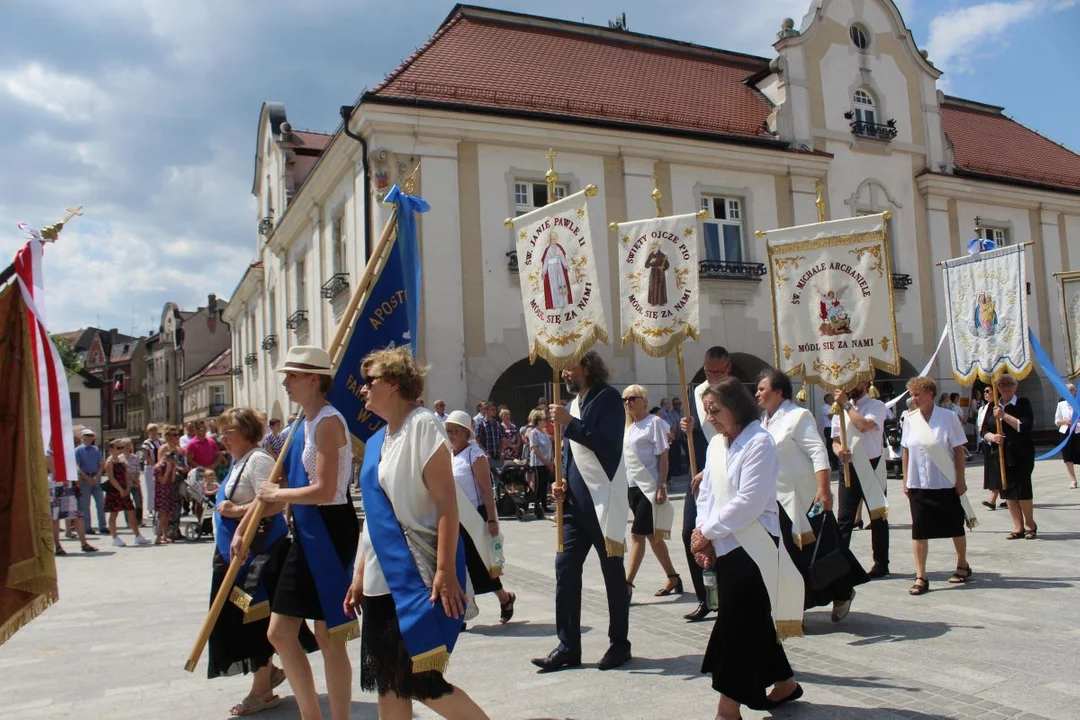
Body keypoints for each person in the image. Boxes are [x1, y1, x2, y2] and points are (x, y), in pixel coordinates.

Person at [343, 348, 489, 719]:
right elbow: (372, 518)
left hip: (416, 577)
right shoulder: (378, 440)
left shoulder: (422, 425)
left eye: (370, 380)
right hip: (380, 578)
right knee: (389, 682)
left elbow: (446, 504)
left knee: (423, 682)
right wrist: (359, 574)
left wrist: (445, 571)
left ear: (394, 383)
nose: (363, 389)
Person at [252, 346, 360, 720]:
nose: (285, 383)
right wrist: (258, 511)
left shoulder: (329, 422)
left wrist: (276, 494)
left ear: (314, 379)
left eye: (292, 376)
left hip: (329, 529)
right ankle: (312, 715)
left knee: (328, 635)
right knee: (280, 632)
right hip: (307, 528)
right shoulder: (301, 423)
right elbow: (286, 485)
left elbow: (327, 489)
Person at [691, 378, 802, 718]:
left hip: (754, 548)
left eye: (716, 410)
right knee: (751, 621)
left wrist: (708, 531)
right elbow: (707, 493)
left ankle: (728, 708)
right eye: (707, 411)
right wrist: (703, 533)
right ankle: (784, 683)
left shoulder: (759, 442)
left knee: (736, 627)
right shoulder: (716, 446)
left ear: (736, 407)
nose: (710, 417)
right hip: (724, 545)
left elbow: (749, 501)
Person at [209, 407, 316, 717]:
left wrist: (236, 512)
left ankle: (262, 691)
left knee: (254, 624)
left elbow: (275, 501)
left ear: (244, 433)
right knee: (237, 623)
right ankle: (267, 675)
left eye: (227, 432)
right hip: (238, 556)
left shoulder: (259, 460)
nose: (222, 438)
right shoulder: (239, 461)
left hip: (258, 558)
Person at [533, 350, 631, 672]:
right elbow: (569, 454)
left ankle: (620, 644)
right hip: (574, 507)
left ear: (587, 367)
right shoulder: (572, 405)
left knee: (612, 577)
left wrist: (569, 424)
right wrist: (560, 482)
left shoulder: (609, 398)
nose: (564, 375)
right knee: (565, 570)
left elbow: (607, 445)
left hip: (602, 503)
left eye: (568, 368)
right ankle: (568, 646)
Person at [757, 370, 866, 622]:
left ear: (779, 392)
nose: (757, 394)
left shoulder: (798, 416)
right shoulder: (763, 422)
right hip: (775, 500)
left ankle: (842, 592)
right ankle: (795, 607)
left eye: (762, 389)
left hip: (806, 500)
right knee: (788, 555)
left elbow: (818, 452)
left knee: (822, 551)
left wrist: (824, 489)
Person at [443, 411, 518, 624]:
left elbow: (487, 490)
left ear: (466, 432)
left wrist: (492, 520)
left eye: (455, 431)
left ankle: (504, 598)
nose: (451, 435)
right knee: (458, 565)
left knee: (480, 564)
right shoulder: (449, 454)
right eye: (448, 431)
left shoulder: (475, 455)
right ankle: (461, 613)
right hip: (454, 518)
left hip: (475, 517)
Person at [901, 377, 973, 595]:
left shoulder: (948, 417)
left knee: (954, 526)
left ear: (930, 394)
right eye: (912, 395)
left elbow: (959, 450)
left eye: (917, 394)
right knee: (919, 530)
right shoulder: (909, 419)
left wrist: (960, 479)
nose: (914, 399)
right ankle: (921, 576)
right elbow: (906, 449)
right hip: (919, 484)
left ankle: (962, 564)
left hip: (945, 483)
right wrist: (905, 479)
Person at [679, 346, 731, 622]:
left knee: (722, 535)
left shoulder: (736, 395)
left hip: (725, 472)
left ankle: (728, 594)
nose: (710, 376)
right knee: (691, 531)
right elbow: (696, 432)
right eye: (707, 371)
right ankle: (705, 597)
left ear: (728, 369)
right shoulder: (696, 392)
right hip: (699, 473)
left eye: (716, 372)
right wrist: (686, 426)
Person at [621, 384, 682, 598]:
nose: (628, 402)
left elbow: (663, 456)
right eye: (625, 399)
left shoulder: (654, 423)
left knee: (637, 534)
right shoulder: (628, 427)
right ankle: (673, 577)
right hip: (632, 487)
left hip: (650, 487)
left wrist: (661, 486)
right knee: (654, 537)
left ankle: (626, 584)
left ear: (644, 400)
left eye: (632, 398)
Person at [832, 381, 890, 578]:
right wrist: (840, 452)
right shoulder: (839, 407)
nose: (850, 386)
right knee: (844, 519)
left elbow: (863, 425)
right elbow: (836, 440)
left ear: (865, 382)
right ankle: (840, 564)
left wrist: (847, 405)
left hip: (871, 465)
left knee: (878, 516)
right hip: (849, 467)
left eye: (854, 380)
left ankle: (881, 562)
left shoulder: (876, 406)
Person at [980, 375, 1037, 540]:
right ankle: (1018, 526)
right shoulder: (993, 405)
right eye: (1001, 384)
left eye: (1008, 384)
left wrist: (1004, 415)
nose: (1005, 387)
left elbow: (1025, 426)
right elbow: (983, 430)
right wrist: (993, 437)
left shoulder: (1022, 403)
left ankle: (1030, 525)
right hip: (1001, 455)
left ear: (1015, 386)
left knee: (1023, 487)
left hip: (1021, 453)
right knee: (1008, 490)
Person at [48, 449, 96, 555]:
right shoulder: (49, 452)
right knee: (55, 518)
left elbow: (73, 467)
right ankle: (57, 545)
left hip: (67, 486)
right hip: (55, 487)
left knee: (76, 515)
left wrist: (75, 480)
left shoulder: (66, 451)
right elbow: (52, 468)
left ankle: (84, 544)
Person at [103, 439, 150, 547]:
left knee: (131, 511)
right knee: (114, 514)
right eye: (118, 448)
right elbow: (111, 478)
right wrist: (120, 489)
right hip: (115, 490)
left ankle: (137, 536)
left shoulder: (121, 460)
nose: (120, 450)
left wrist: (128, 486)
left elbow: (126, 474)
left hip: (124, 489)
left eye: (121, 447)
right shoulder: (109, 462)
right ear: (111, 449)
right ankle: (114, 537)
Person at [154, 427, 184, 544]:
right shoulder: (163, 449)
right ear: (167, 436)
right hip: (163, 487)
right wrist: (170, 468)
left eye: (177, 435)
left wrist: (177, 468)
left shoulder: (179, 449)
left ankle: (169, 533)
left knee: (172, 509)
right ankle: (160, 535)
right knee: (163, 512)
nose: (176, 437)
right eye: (173, 435)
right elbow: (161, 471)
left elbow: (182, 463)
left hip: (174, 482)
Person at [74, 428, 106, 535]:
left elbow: (101, 464)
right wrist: (87, 478)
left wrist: (97, 476)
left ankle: (103, 526)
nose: (89, 438)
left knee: (101, 503)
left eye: (91, 436)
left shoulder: (96, 449)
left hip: (95, 477)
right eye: (87, 436)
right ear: (82, 437)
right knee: (85, 505)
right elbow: (77, 467)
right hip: (84, 478)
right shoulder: (78, 450)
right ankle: (87, 527)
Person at [526, 409, 554, 519]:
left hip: (546, 463)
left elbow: (550, 448)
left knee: (544, 485)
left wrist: (551, 461)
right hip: (538, 464)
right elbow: (535, 449)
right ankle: (537, 507)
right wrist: (546, 461)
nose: (546, 421)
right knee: (538, 486)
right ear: (538, 421)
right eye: (544, 419)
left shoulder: (545, 433)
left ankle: (544, 505)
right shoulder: (534, 433)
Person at [1054, 383, 1080, 489]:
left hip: (1078, 432)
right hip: (1065, 433)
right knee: (1067, 457)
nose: (1070, 392)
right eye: (1067, 390)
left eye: (1072, 390)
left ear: (1075, 392)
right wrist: (1065, 421)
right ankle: (1073, 480)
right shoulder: (1061, 404)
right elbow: (1056, 421)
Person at [141, 424, 162, 525]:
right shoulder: (146, 443)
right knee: (151, 488)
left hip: (160, 467)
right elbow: (146, 456)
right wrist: (155, 465)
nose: (154, 432)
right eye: (151, 430)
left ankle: (158, 506)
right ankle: (150, 509)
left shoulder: (160, 442)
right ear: (148, 432)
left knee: (159, 487)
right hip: (150, 467)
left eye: (155, 430)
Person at [820, 393, 839, 472]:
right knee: (831, 447)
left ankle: (836, 463)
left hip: (834, 428)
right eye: (831, 398)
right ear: (827, 399)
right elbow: (830, 416)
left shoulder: (832, 406)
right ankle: (833, 464)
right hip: (829, 429)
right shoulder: (825, 407)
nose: (833, 399)